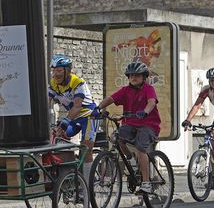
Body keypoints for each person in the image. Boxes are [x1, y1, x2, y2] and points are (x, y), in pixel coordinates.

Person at [93, 62, 161, 194]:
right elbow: (110, 98)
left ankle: (146, 183)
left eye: (137, 75)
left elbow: (151, 102)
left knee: (141, 148)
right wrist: (98, 108)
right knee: (116, 138)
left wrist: (145, 112)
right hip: (130, 124)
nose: (133, 78)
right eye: (131, 76)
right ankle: (131, 160)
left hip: (148, 125)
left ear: (144, 77)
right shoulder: (125, 90)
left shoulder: (148, 89)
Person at [47, 55, 99, 180]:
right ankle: (68, 173)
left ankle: (87, 183)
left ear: (68, 71)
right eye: (54, 71)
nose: (56, 74)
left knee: (86, 149)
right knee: (58, 136)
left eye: (59, 70)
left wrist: (65, 122)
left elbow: (77, 106)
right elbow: (45, 103)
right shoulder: (53, 83)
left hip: (89, 116)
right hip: (74, 117)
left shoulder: (77, 82)